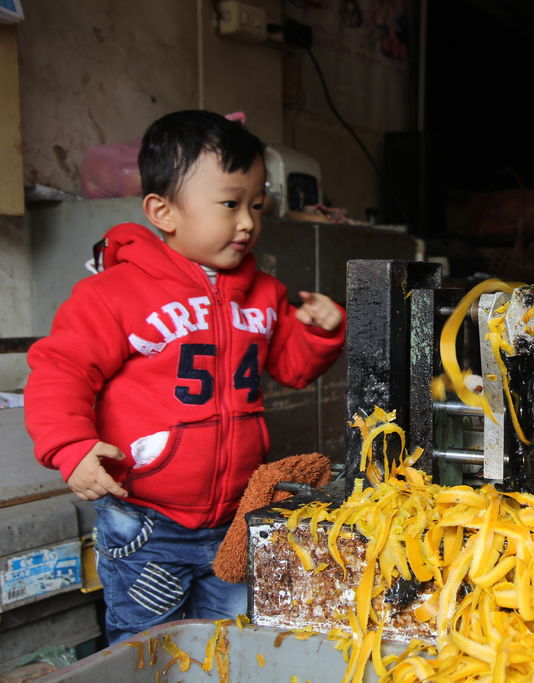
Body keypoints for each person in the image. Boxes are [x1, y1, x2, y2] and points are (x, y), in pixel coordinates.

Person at [24, 110, 347, 644]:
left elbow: (291, 369)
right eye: (230, 204)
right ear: (163, 211)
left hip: (236, 518)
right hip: (146, 523)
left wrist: (318, 335)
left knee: (233, 643)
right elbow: (60, 370)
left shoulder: (263, 293)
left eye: (256, 206)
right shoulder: (115, 294)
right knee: (149, 648)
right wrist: (70, 447)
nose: (248, 222)